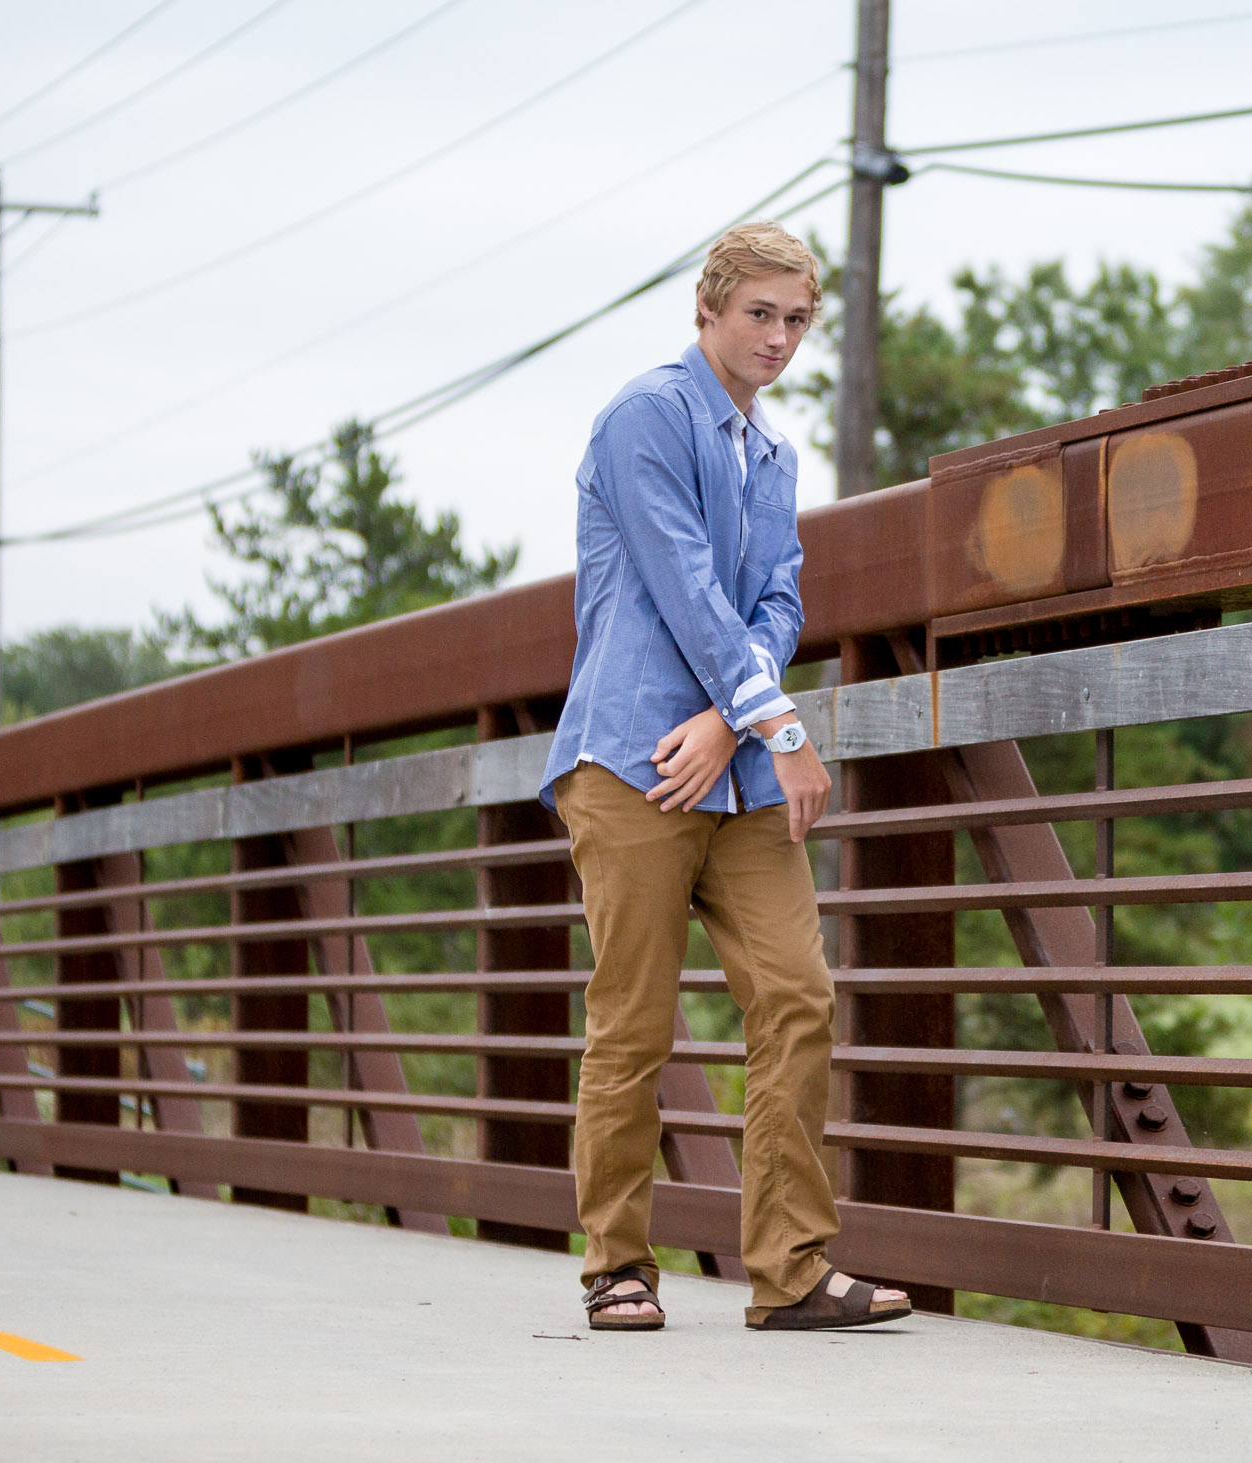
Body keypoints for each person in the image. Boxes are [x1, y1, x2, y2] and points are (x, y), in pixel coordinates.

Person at [538, 221, 911, 1333]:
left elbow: (779, 604)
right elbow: (682, 584)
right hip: (631, 765)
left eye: (798, 319)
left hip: (729, 764)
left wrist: (728, 719)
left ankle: (790, 1270)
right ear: (707, 309)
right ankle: (616, 1265)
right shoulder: (645, 417)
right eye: (760, 313)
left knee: (797, 995)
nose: (781, 336)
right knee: (634, 1018)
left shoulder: (773, 457)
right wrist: (776, 724)